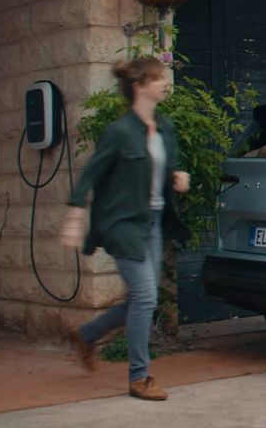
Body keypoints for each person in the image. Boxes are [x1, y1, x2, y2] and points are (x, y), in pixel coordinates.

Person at [59, 57, 191, 401]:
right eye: (159, 78)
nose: (165, 83)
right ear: (139, 86)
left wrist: (177, 178)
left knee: (138, 299)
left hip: (153, 221)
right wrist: (75, 216)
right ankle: (139, 378)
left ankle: (87, 335)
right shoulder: (118, 132)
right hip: (123, 224)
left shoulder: (165, 127)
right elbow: (90, 174)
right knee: (146, 296)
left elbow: (165, 168)